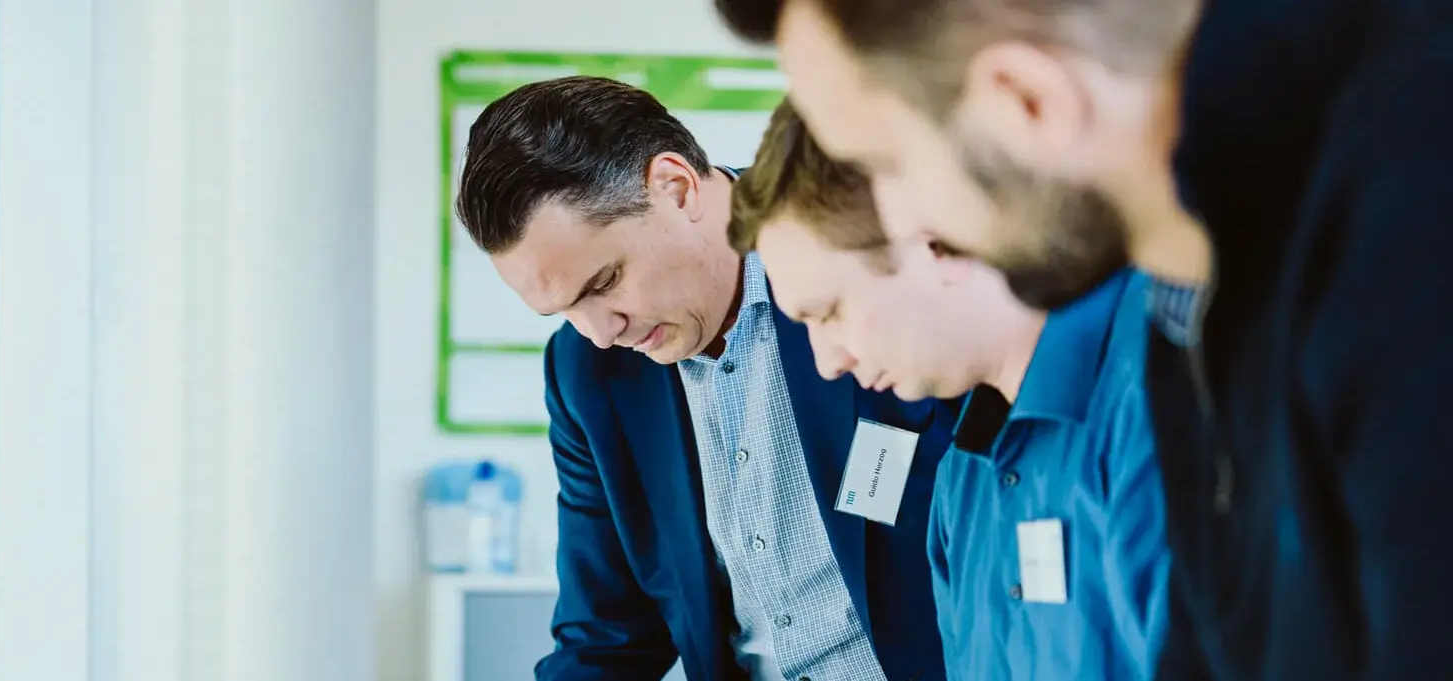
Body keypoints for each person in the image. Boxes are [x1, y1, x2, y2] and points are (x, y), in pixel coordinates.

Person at [715, 0, 1453, 678]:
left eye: (887, 166)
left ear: (1026, 101)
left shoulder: (1403, 220)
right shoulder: (1192, 302)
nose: (908, 225)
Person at [455, 75, 956, 681]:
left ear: (675, 187)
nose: (599, 331)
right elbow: (606, 636)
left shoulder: (857, 246)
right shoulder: (586, 372)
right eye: (563, 309)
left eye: (604, 282)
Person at [730, 102, 1170, 680]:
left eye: (830, 313)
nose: (826, 362)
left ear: (935, 239)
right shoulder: (962, 482)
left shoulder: (1161, 403)